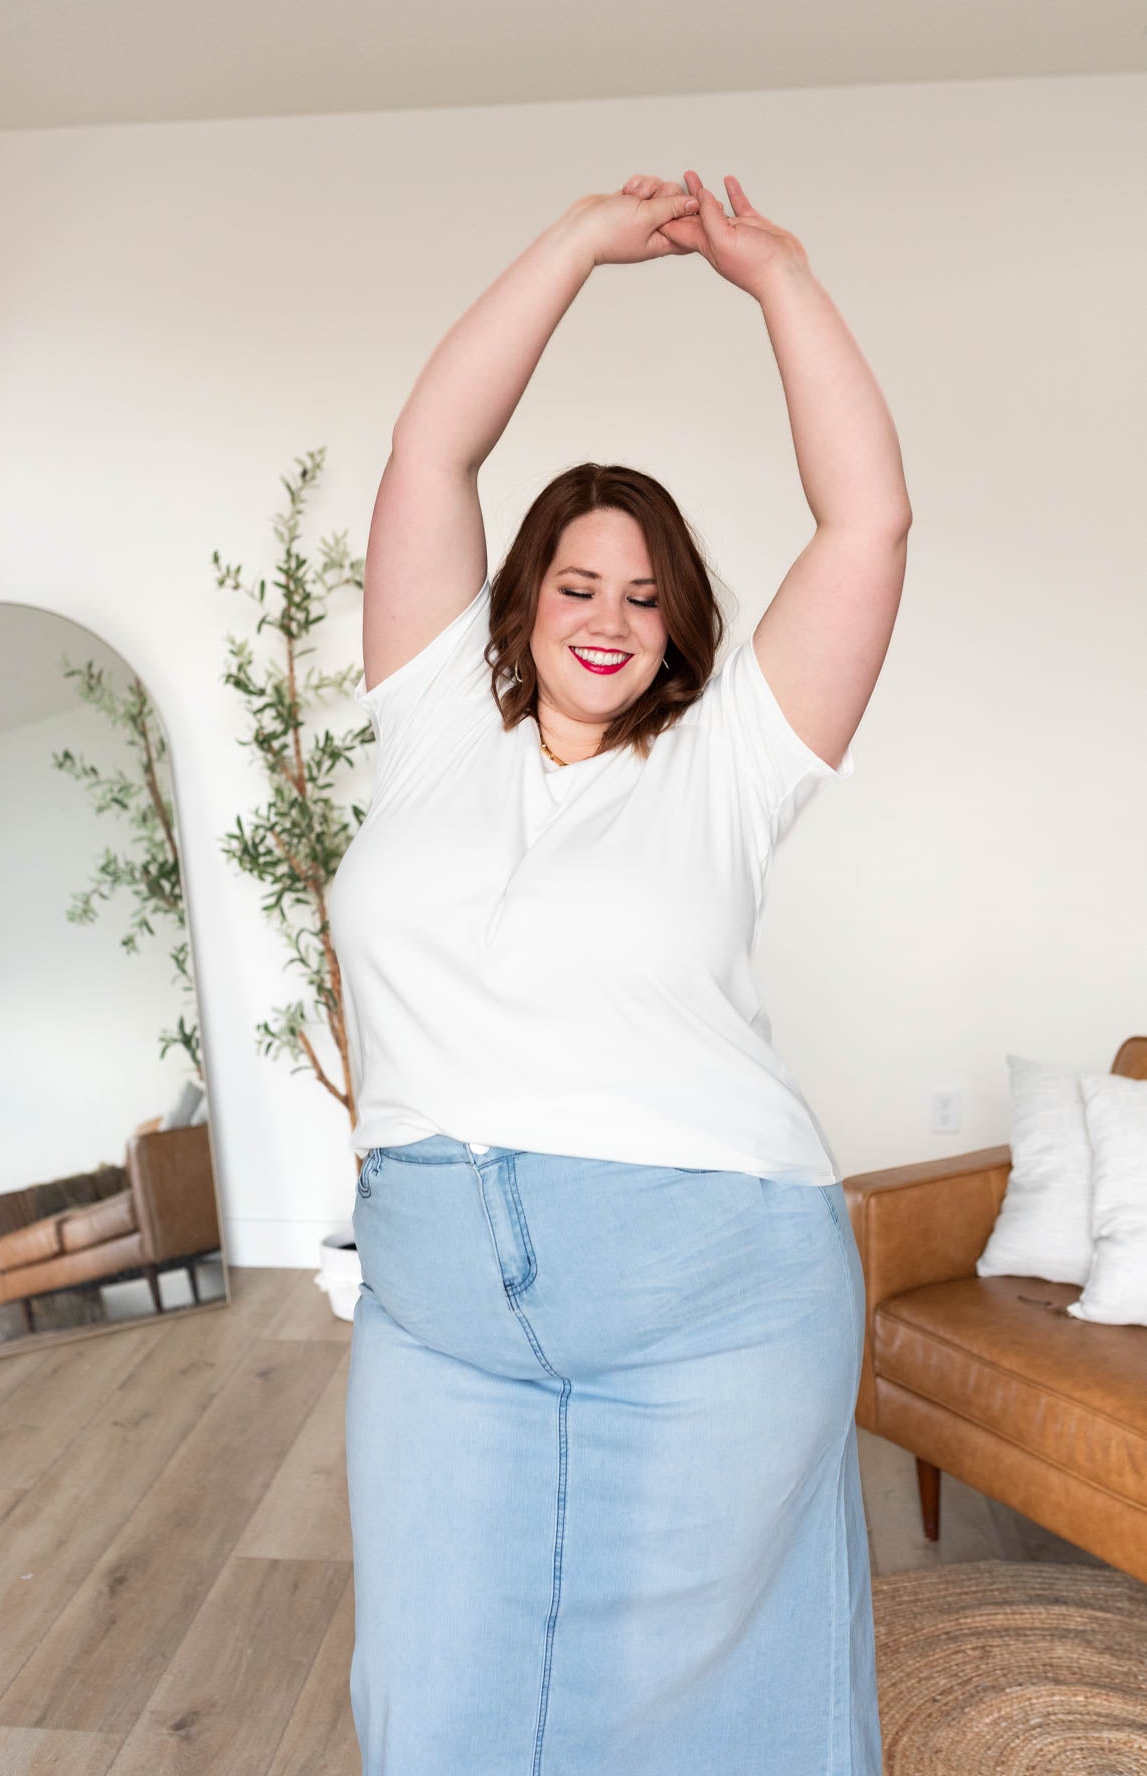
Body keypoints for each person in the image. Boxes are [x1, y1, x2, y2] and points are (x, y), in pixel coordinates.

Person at [328, 168, 911, 1776]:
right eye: (578, 584)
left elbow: (864, 520)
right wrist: (581, 244)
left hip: (710, 1297)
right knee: (433, 1712)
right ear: (517, 601)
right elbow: (429, 449)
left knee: (715, 1723)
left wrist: (777, 276)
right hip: (440, 1309)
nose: (610, 618)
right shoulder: (432, 725)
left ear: (679, 630)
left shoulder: (733, 764)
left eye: (646, 596)